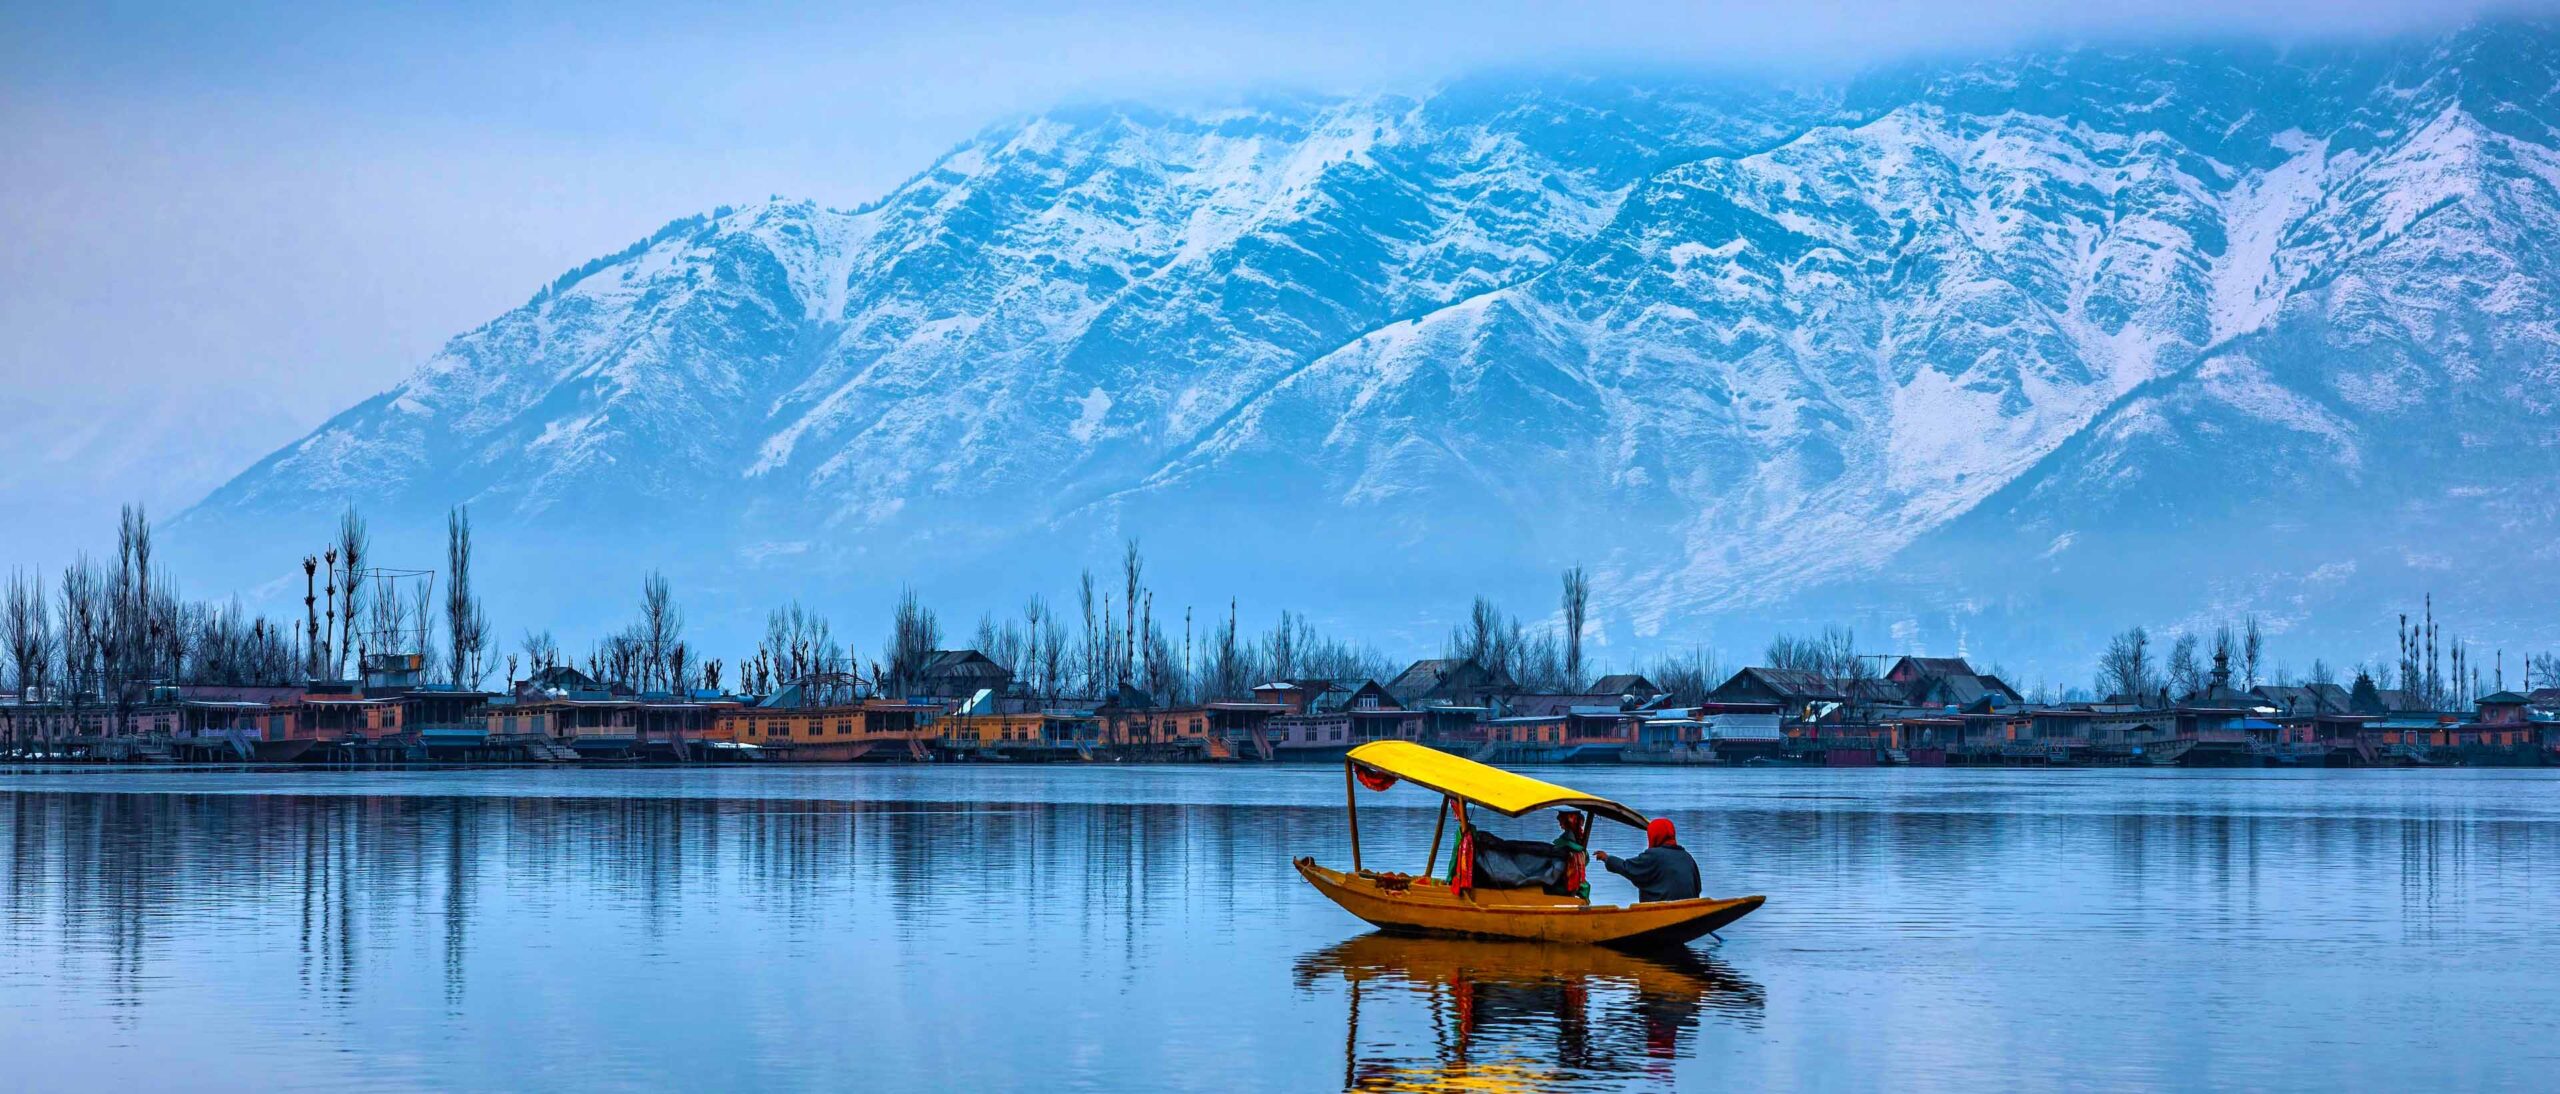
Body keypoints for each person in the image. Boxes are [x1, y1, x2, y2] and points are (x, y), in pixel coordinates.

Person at [1595, 817, 1700, 903]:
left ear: (1654, 835)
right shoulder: (1687, 857)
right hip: (1688, 909)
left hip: (1662, 912)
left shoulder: (1654, 855)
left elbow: (1628, 868)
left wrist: (1607, 859)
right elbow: (1697, 888)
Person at [1549, 812, 1591, 900]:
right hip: (1562, 875)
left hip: (1567, 877)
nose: (1560, 825)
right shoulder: (1569, 837)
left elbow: (1582, 856)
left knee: (1583, 887)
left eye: (1561, 821)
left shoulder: (1571, 837)